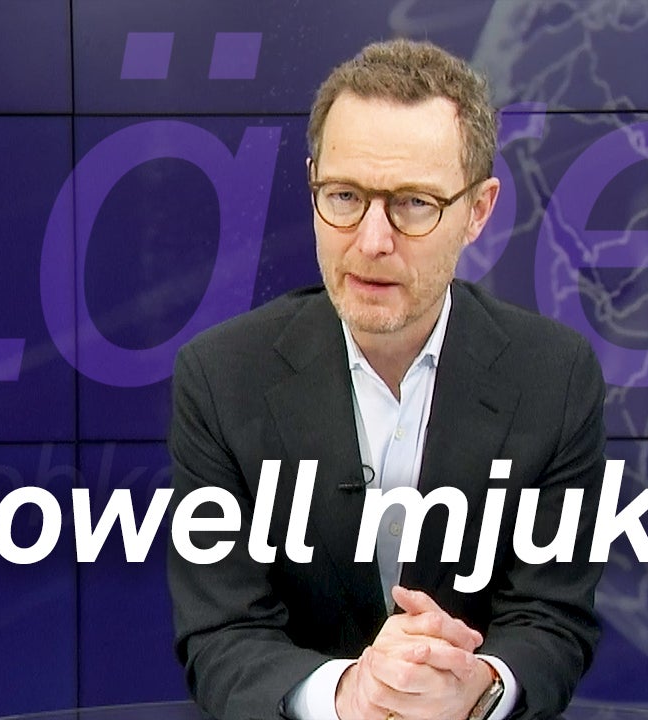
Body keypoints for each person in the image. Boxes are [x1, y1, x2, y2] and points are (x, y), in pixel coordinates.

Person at [167, 38, 607, 720]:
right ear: (313, 184)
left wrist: (478, 685)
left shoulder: (556, 376)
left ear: (479, 210)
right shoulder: (221, 379)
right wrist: (351, 693)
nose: (372, 241)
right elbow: (222, 633)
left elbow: (552, 619)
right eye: (344, 196)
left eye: (414, 203)